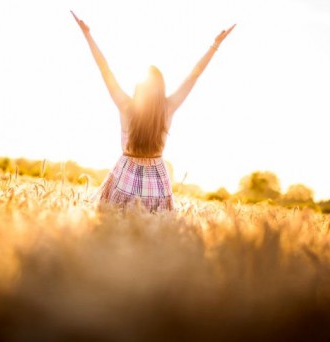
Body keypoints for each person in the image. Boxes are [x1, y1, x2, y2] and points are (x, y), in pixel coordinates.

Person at [71, 11, 235, 212]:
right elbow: (195, 74)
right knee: (155, 232)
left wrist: (87, 35)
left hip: (125, 174)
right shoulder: (168, 107)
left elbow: (105, 69)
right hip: (157, 180)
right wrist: (215, 45)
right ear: (161, 88)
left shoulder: (127, 106)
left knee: (115, 224)